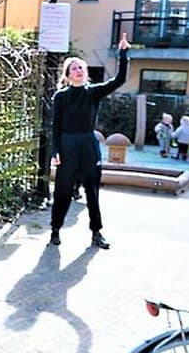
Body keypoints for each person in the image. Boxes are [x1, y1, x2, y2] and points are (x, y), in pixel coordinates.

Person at [49, 33, 131, 250]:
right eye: (74, 67)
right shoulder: (61, 96)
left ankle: (96, 232)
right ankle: (55, 230)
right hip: (67, 145)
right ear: (67, 74)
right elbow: (55, 127)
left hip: (88, 144)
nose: (79, 70)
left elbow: (119, 80)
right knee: (63, 191)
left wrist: (124, 53)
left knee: (92, 191)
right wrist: (55, 151)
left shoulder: (93, 93)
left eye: (81, 67)